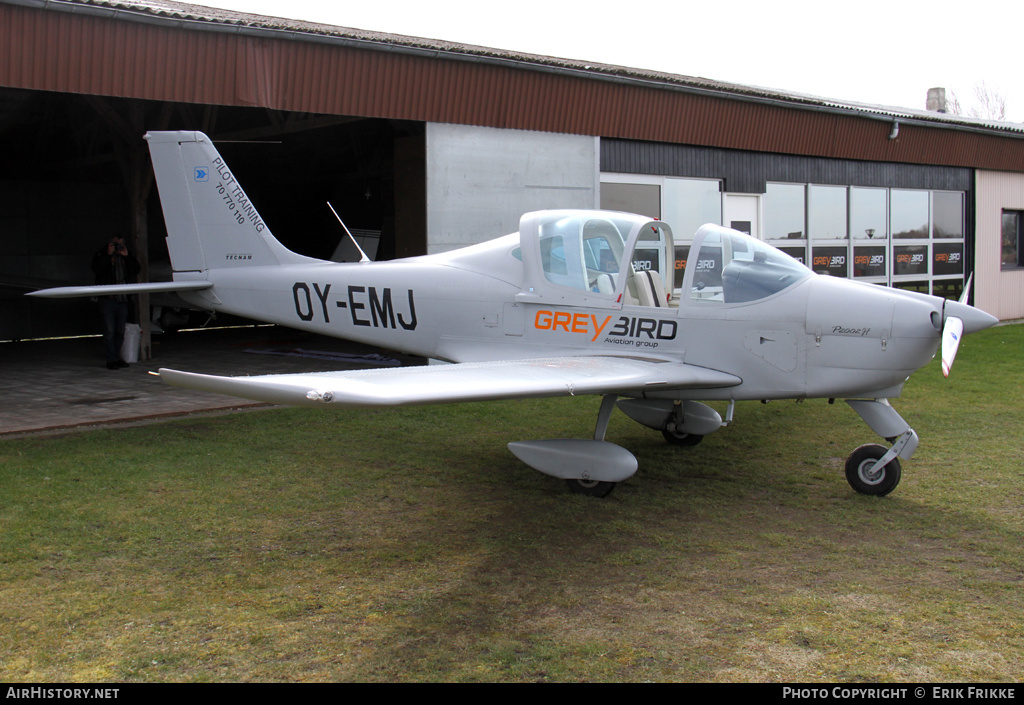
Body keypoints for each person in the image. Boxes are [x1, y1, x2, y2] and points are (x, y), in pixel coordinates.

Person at [90, 235, 140, 369]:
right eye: (115, 244)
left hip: (122, 299)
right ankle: (111, 359)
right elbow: (97, 270)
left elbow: (136, 270)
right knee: (109, 331)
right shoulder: (102, 254)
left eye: (120, 244)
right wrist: (108, 255)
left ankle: (116, 357)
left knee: (120, 331)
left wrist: (127, 256)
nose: (118, 247)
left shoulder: (125, 256)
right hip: (108, 299)